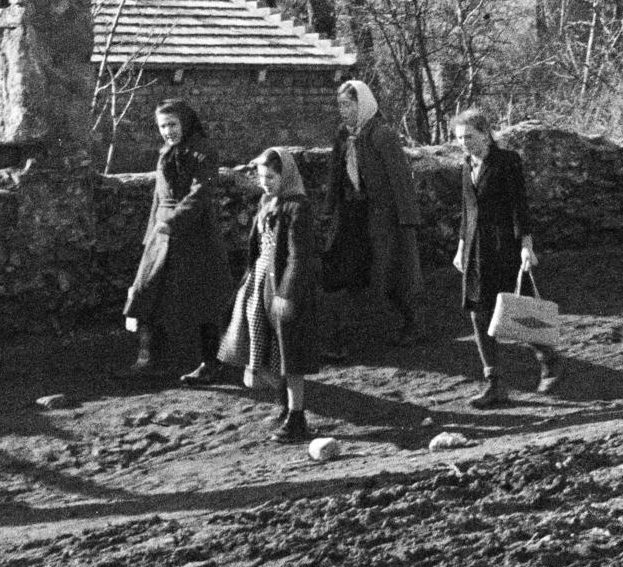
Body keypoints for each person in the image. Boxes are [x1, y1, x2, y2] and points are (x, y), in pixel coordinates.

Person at [452, 106, 561, 407]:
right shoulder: (465, 165)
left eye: (470, 136)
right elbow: (466, 210)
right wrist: (461, 246)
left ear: (486, 134)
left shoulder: (506, 162)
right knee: (478, 312)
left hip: (503, 247)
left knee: (516, 308)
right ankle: (494, 382)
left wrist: (526, 245)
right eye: (460, 138)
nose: (464, 143)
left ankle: (548, 359)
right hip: (475, 249)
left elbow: (519, 207)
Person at [123, 99, 233, 385]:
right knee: (148, 290)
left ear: (185, 122)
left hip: (195, 233)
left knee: (202, 298)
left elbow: (200, 193)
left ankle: (211, 362)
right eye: (162, 126)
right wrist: (153, 233)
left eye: (172, 124)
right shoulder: (166, 153)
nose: (168, 131)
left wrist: (173, 222)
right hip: (162, 232)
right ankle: (149, 360)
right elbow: (159, 197)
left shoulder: (203, 152)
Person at [218, 147, 320, 444]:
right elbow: (259, 246)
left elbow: (299, 257)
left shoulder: (297, 207)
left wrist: (286, 294)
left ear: (285, 175)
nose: (265, 182)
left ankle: (297, 417)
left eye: (271, 177)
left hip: (286, 289)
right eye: (261, 177)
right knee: (266, 349)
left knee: (291, 355)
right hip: (261, 282)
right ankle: (284, 406)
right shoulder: (267, 201)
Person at [321, 78, 423, 350]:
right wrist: (328, 210)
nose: (344, 111)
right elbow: (335, 175)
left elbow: (400, 180)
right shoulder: (343, 136)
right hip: (353, 213)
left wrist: (407, 221)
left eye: (349, 105)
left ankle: (411, 321)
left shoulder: (381, 135)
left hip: (383, 214)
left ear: (362, 104)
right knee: (349, 269)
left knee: (389, 268)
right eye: (340, 105)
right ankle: (344, 335)